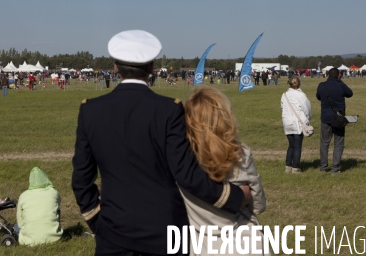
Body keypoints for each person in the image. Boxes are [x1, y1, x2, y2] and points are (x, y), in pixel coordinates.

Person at [72, 30, 250, 255]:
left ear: (115, 67)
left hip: (113, 234)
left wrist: (98, 222)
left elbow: (81, 180)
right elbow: (187, 176)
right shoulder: (168, 109)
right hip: (166, 234)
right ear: (151, 67)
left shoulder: (91, 110)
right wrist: (236, 196)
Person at [181, 86, 268, 255]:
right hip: (243, 242)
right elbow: (259, 205)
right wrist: (243, 195)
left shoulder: (182, 160)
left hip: (201, 244)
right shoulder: (240, 153)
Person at [316, 68, 353, 174]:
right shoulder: (340, 85)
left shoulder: (321, 85)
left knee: (324, 143)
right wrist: (340, 81)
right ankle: (335, 168)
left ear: (327, 75)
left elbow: (318, 97)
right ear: (338, 75)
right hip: (339, 118)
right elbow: (350, 93)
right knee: (338, 143)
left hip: (325, 118)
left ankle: (323, 167)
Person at [16, 167, 63, 246]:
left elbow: (20, 223)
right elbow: (58, 205)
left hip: (28, 241)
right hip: (55, 238)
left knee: (16, 227)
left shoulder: (23, 196)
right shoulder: (54, 193)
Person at [280, 76, 311, 174]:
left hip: (287, 122)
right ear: (299, 83)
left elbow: (282, 107)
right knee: (297, 146)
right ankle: (295, 167)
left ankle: (288, 166)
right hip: (298, 122)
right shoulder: (301, 95)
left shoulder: (284, 95)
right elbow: (307, 109)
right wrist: (307, 119)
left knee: (291, 145)